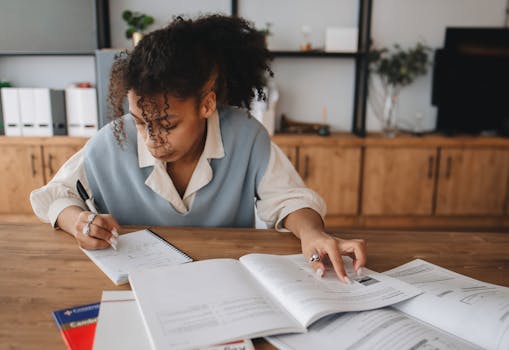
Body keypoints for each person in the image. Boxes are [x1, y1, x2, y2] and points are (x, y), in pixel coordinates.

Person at [30, 14, 366, 282]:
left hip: (224, 285)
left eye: (168, 124)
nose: (151, 139)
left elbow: (289, 198)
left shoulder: (245, 136)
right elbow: (53, 196)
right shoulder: (111, 141)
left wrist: (311, 233)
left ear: (206, 105)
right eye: (139, 121)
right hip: (133, 288)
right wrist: (77, 222)